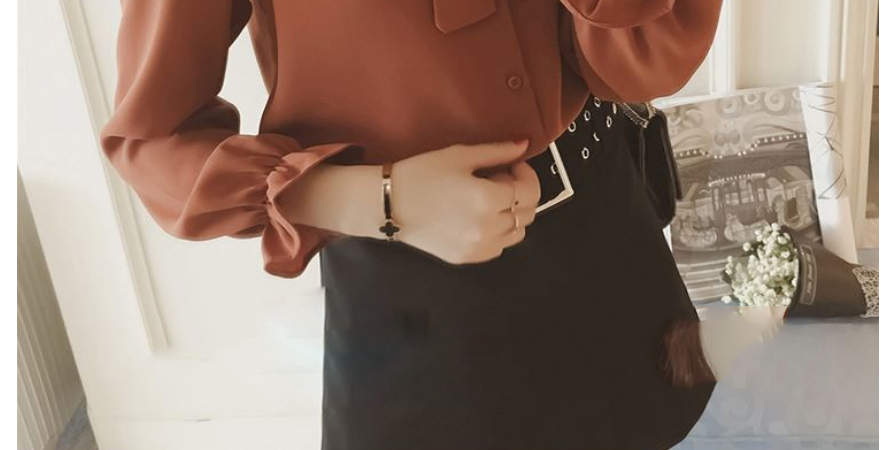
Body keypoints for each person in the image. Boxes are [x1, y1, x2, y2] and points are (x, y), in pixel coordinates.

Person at [99, 1, 725, 449]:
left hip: (603, 230)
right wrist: (383, 200)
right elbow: (153, 139)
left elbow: (642, 60)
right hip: (413, 294)